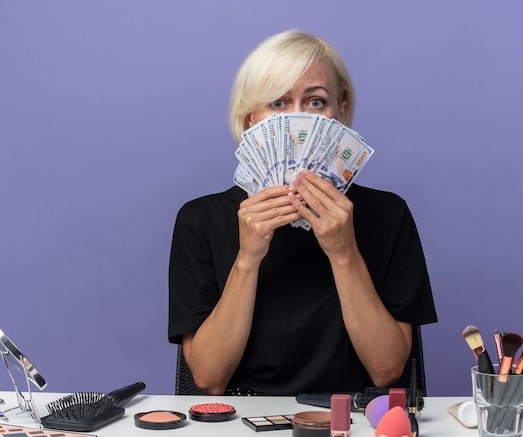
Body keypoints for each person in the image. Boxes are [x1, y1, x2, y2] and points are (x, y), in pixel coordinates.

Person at [168, 30, 437, 396]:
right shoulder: (200, 220)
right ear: (251, 119)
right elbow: (209, 379)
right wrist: (248, 256)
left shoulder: (388, 215)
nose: (298, 122)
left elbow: (387, 370)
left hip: (352, 417)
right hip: (240, 419)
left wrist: (344, 252)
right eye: (278, 104)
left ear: (340, 112)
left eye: (315, 102)